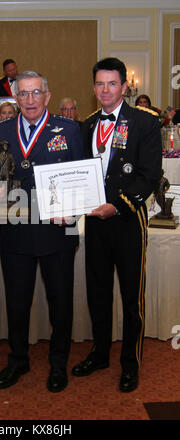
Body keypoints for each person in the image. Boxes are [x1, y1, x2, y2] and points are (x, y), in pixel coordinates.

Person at [72, 57, 162, 392]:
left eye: (112, 83)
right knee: (97, 292)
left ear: (124, 86)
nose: (105, 90)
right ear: (93, 88)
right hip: (95, 222)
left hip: (127, 220)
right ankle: (99, 352)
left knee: (130, 295)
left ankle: (130, 362)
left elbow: (150, 175)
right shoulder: (86, 125)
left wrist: (118, 205)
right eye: (99, 84)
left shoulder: (144, 122)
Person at [0, 70, 84, 393]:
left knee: (61, 302)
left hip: (57, 232)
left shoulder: (70, 130)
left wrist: (73, 210)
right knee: (17, 302)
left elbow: (81, 179)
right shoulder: (2, 130)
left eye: (36, 93)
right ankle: (18, 359)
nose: (29, 100)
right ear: (15, 99)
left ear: (46, 96)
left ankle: (59, 364)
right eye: (23, 94)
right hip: (15, 232)